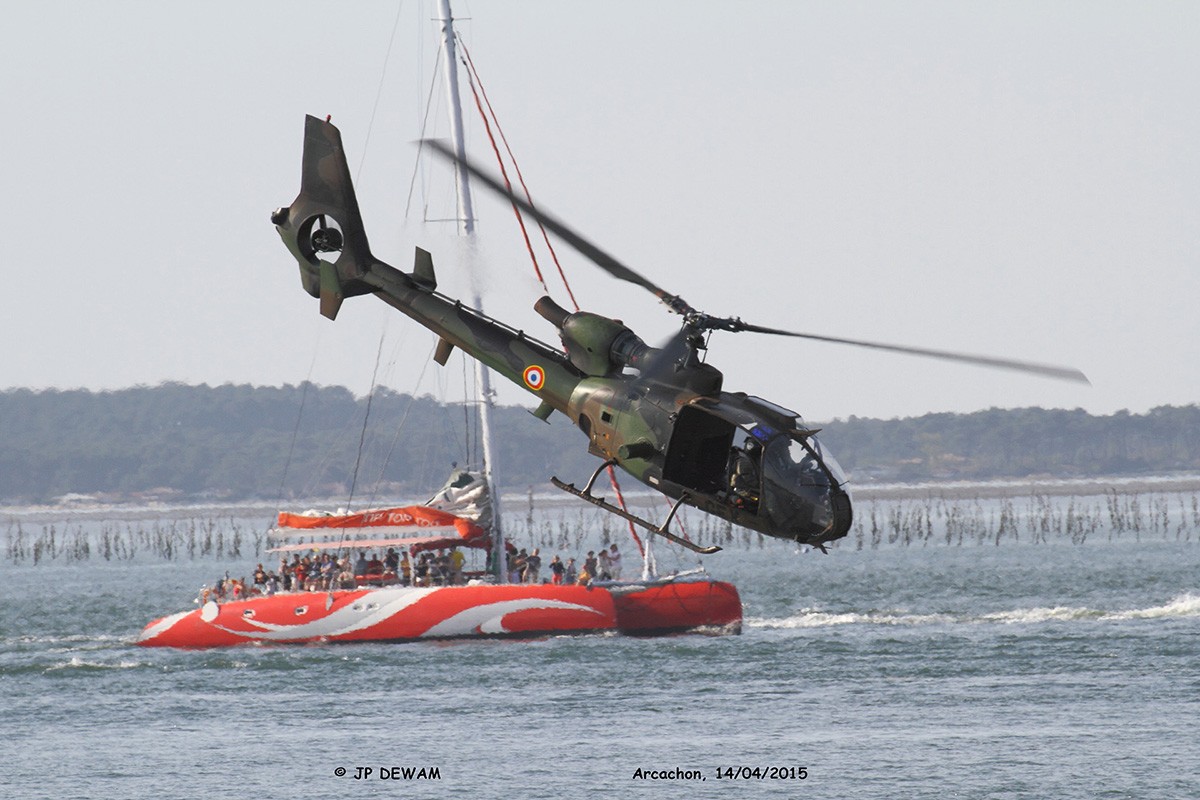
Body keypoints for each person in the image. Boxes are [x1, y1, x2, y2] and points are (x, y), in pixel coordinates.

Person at [729, 436, 762, 511]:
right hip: (741, 489)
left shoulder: (753, 461)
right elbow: (748, 478)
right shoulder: (744, 460)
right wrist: (761, 486)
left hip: (746, 488)